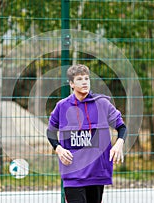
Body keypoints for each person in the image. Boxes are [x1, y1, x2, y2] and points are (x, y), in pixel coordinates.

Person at [47, 64, 127, 203]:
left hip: (96, 173)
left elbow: (122, 127)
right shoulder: (62, 106)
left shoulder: (102, 103)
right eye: (79, 79)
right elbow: (51, 132)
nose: (84, 82)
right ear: (71, 84)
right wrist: (58, 149)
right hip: (73, 173)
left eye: (86, 78)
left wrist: (119, 143)